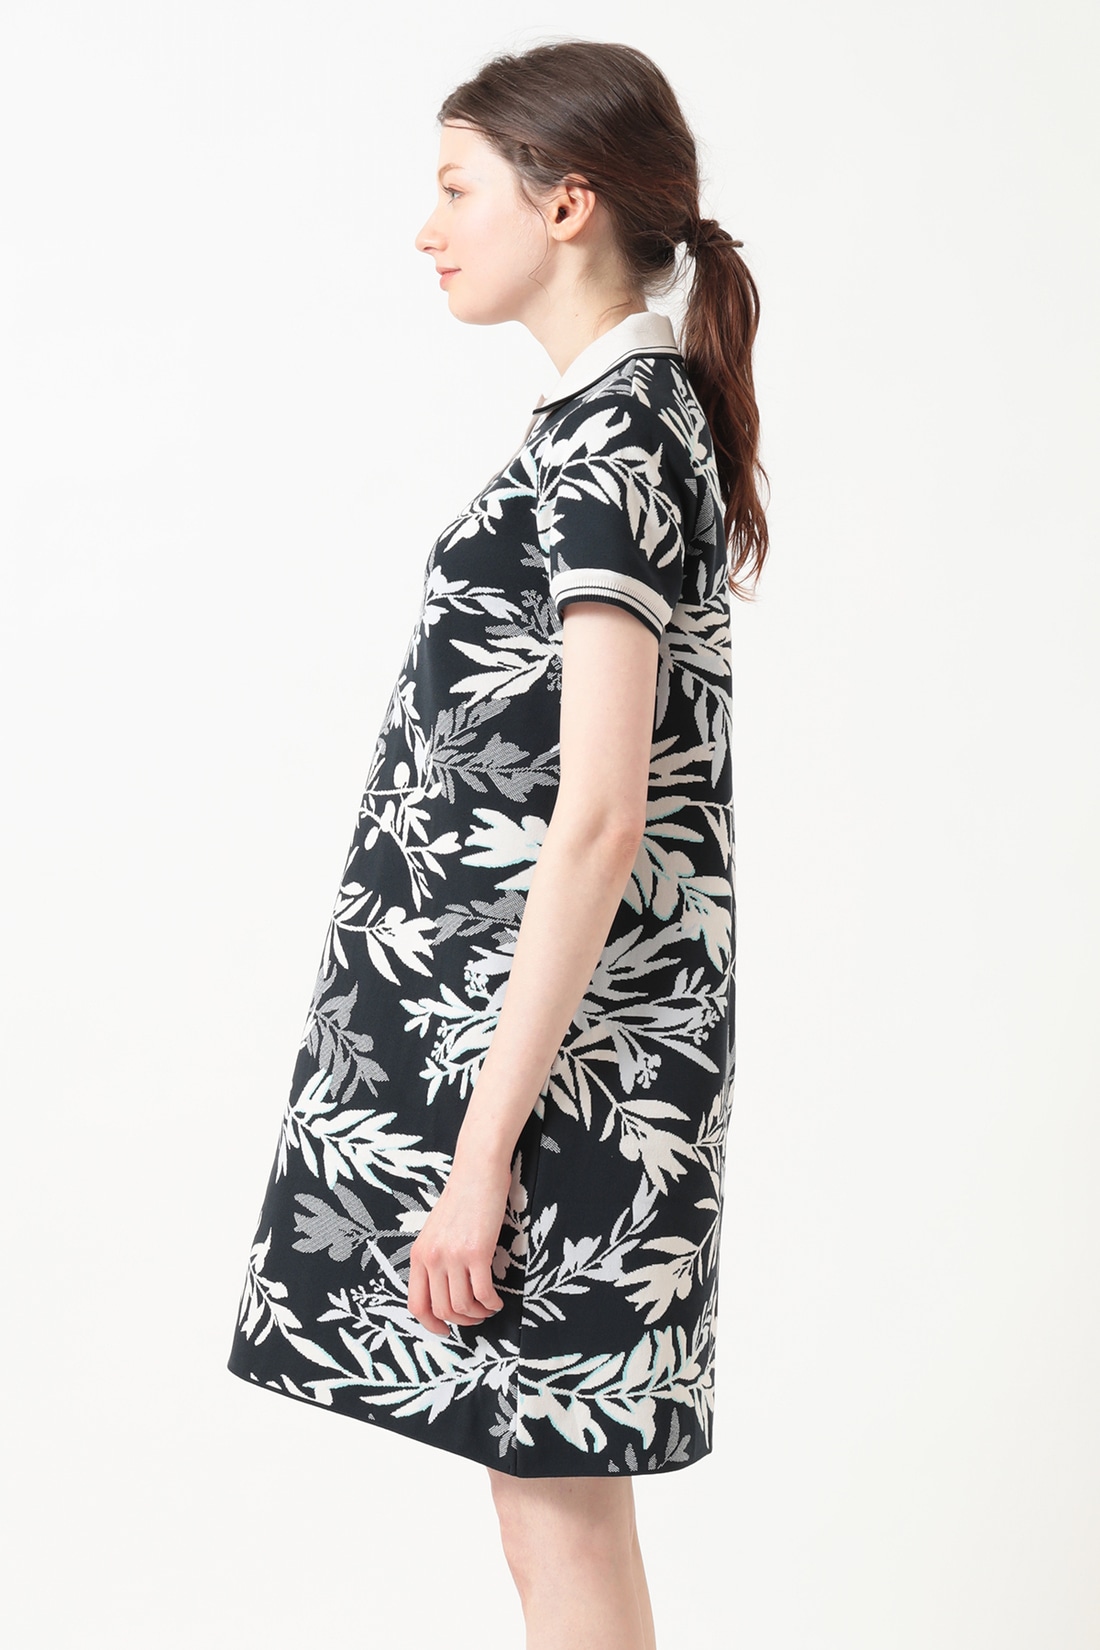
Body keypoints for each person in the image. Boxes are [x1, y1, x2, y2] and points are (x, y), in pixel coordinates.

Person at [227, 37, 767, 1650]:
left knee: (559, 1524)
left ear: (567, 201)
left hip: (557, 1082)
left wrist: (481, 1154)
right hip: (546, 1059)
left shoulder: (617, 436)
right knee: (551, 1523)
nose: (429, 227)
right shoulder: (615, 420)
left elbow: (601, 813)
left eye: (458, 188)